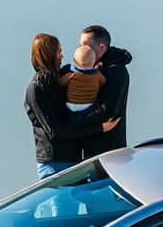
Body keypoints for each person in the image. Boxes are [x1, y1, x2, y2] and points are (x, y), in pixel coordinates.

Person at [24, 33, 119, 179]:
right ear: (48, 54)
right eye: (59, 52)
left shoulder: (59, 80)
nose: (62, 56)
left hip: (73, 160)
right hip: (54, 164)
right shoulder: (36, 88)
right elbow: (55, 130)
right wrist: (99, 128)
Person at [67, 24, 132, 158]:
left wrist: (74, 118)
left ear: (101, 47)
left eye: (85, 45)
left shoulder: (116, 70)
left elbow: (106, 109)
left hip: (109, 151)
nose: (81, 50)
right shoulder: (89, 69)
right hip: (89, 148)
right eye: (80, 46)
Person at [59, 45, 105, 111]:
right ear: (94, 61)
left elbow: (60, 82)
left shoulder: (72, 75)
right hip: (90, 105)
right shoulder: (97, 75)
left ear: (75, 61)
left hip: (72, 105)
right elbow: (103, 82)